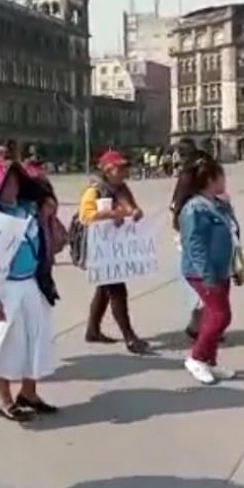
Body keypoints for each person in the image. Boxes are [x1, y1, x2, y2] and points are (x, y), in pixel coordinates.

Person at [0, 161, 60, 422]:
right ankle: (2, 399)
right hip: (1, 287)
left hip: (30, 283)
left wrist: (47, 216)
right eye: (6, 183)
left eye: (16, 182)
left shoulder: (27, 210)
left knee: (36, 339)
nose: (12, 188)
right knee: (3, 345)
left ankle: (29, 393)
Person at [78, 150, 149, 354]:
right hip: (100, 249)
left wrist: (134, 212)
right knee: (117, 290)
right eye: (120, 168)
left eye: (125, 167)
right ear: (108, 170)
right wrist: (110, 214)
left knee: (104, 289)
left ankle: (92, 330)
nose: (124, 171)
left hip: (113, 248)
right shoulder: (95, 190)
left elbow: (129, 207)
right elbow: (86, 216)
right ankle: (130, 337)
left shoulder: (121, 189)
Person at [176, 159, 237, 385]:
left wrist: (227, 205)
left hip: (221, 268)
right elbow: (194, 244)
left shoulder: (215, 203)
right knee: (221, 315)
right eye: (221, 176)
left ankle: (209, 361)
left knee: (215, 315)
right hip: (203, 272)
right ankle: (196, 357)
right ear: (211, 179)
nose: (225, 180)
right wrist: (207, 274)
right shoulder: (195, 208)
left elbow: (232, 231)